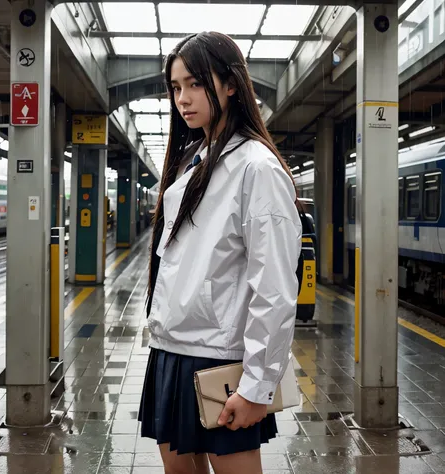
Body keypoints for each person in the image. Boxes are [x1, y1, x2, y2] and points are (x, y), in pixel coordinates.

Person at [138, 31, 302, 474]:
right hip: (171, 346)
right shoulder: (195, 157)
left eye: (195, 83)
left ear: (231, 84)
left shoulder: (256, 166)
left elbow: (276, 286)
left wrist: (257, 386)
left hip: (219, 353)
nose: (183, 99)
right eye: (175, 87)